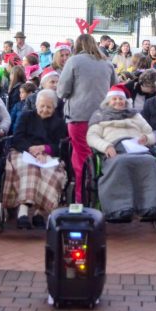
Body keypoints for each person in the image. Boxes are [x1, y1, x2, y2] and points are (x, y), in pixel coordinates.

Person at [87, 85, 156, 222]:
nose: (118, 101)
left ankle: (151, 207)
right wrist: (106, 146)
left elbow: (151, 134)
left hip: (137, 147)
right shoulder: (100, 116)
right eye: (115, 99)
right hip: (115, 149)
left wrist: (146, 139)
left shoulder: (135, 115)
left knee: (149, 162)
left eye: (121, 99)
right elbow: (92, 137)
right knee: (120, 162)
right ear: (108, 101)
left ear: (126, 101)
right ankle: (119, 209)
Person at [57, 34, 117, 202]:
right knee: (99, 154)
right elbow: (115, 86)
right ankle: (102, 194)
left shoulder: (73, 61)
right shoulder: (107, 63)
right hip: (103, 117)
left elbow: (62, 91)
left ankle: (82, 196)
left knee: (82, 156)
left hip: (79, 116)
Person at [2, 90, 68, 229]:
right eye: (42, 106)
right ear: (36, 105)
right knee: (30, 170)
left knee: (50, 173)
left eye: (49, 107)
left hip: (48, 156)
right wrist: (32, 150)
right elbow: (17, 138)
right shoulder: (25, 117)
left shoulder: (59, 123)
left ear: (54, 108)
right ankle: (23, 212)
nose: (45, 110)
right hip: (23, 152)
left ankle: (39, 212)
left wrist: (45, 149)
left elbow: (60, 146)